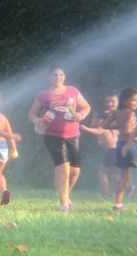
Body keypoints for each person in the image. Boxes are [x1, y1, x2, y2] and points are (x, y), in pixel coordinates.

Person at [28, 65, 90, 211]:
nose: (58, 77)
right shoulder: (44, 94)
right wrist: (36, 120)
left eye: (61, 75)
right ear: (50, 77)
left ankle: (65, 195)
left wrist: (79, 115)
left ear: (64, 76)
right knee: (63, 168)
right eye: (55, 75)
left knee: (75, 171)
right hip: (52, 135)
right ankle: (63, 204)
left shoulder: (72, 91)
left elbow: (86, 107)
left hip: (73, 134)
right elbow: (31, 112)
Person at [104, 88, 137, 211]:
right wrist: (135, 127)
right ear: (124, 101)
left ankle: (118, 204)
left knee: (124, 177)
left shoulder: (115, 112)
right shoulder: (131, 114)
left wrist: (119, 127)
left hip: (119, 143)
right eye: (133, 100)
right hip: (132, 144)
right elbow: (129, 131)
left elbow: (105, 125)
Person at [81, 94, 121, 198]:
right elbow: (96, 126)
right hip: (115, 149)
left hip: (113, 149)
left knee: (103, 172)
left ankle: (107, 195)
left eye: (113, 102)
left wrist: (85, 128)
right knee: (114, 173)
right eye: (108, 102)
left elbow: (100, 131)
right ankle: (115, 192)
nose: (109, 104)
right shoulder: (107, 116)